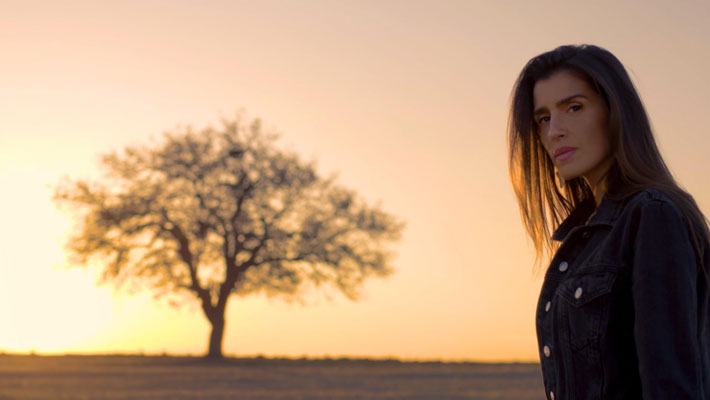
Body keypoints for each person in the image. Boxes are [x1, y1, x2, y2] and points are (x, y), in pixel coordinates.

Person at [507, 44, 710, 399]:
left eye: (574, 108)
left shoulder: (652, 215)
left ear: (615, 113)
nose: (554, 131)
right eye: (543, 119)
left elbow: (671, 386)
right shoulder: (587, 236)